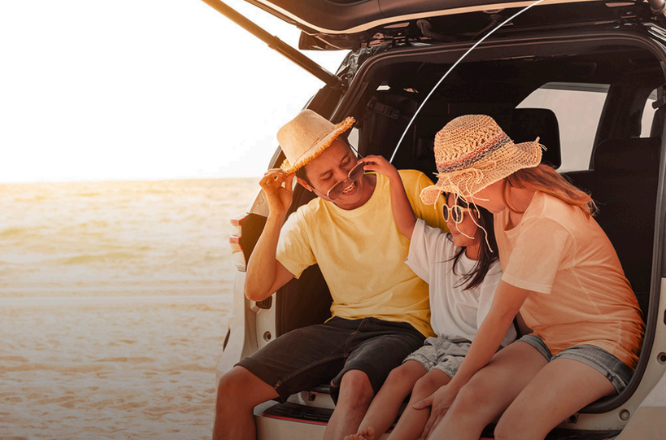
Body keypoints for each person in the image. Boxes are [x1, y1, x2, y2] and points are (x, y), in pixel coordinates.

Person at [212, 109, 449, 440]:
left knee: (355, 383)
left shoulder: (407, 183)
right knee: (233, 386)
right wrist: (277, 214)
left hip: (406, 326)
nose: (345, 177)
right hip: (340, 328)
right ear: (307, 185)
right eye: (327, 177)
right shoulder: (310, 219)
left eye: (346, 161)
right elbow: (257, 289)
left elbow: (465, 245)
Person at [411, 114, 644, 440]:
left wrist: (454, 383)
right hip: (548, 336)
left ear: (488, 178)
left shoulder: (546, 218)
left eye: (464, 188)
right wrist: (459, 388)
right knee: (470, 399)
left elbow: (501, 314)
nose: (465, 199)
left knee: (513, 428)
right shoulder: (504, 205)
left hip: (602, 340)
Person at [343, 155, 516, 440]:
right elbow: (408, 226)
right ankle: (365, 435)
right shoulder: (445, 249)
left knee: (426, 387)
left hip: (477, 351)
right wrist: (392, 177)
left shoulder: (498, 269)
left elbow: (491, 333)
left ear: (483, 215)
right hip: (439, 343)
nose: (450, 221)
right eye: (448, 213)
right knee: (398, 377)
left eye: (458, 215)